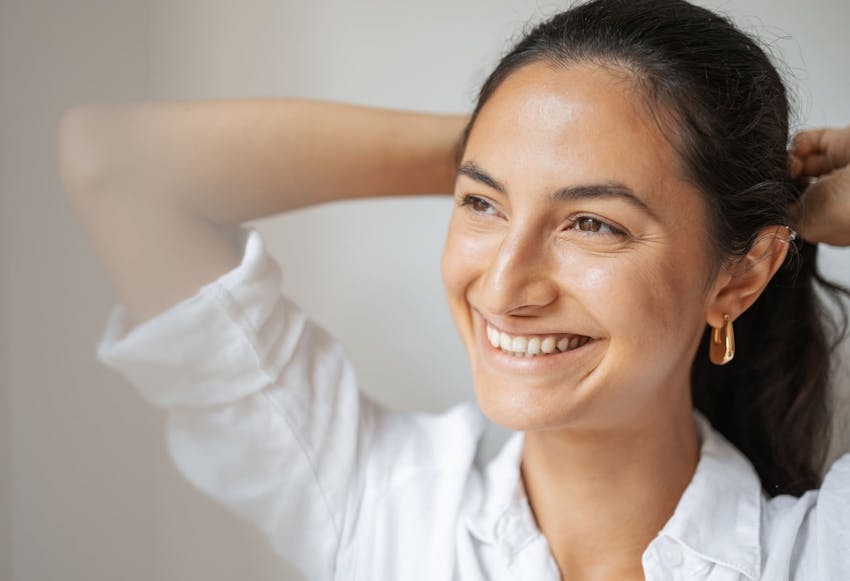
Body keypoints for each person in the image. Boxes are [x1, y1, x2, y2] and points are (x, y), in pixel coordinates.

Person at [58, 0, 850, 579]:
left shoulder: (820, 554)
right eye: (481, 204)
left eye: (592, 224)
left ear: (741, 273)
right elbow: (114, 164)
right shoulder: (380, 506)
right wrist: (501, 138)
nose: (504, 286)